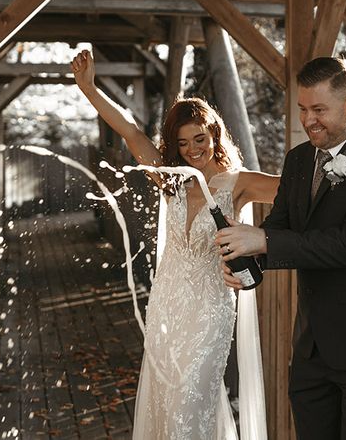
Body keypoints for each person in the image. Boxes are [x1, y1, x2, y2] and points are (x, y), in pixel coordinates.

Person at [71, 48, 278, 440]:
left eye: (199, 139)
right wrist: (89, 89)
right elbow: (131, 131)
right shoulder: (173, 180)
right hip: (167, 306)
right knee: (168, 401)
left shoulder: (241, 183)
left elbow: (298, 192)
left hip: (209, 312)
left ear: (214, 134)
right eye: (183, 143)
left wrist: (262, 243)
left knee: (189, 400)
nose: (192, 149)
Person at [215, 56, 346, 440]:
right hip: (311, 345)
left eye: (319, 110)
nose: (309, 120)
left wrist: (265, 240)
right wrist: (247, 265)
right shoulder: (297, 160)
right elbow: (278, 228)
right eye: (303, 109)